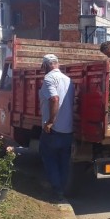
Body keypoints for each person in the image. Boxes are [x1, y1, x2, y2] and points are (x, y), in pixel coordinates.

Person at [38, 54, 75, 202]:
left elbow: (54, 99)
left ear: (46, 65)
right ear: (57, 64)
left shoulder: (49, 79)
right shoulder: (68, 80)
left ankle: (57, 191)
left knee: (49, 158)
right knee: (63, 161)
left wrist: (50, 121)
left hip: (54, 130)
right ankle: (62, 189)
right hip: (68, 128)